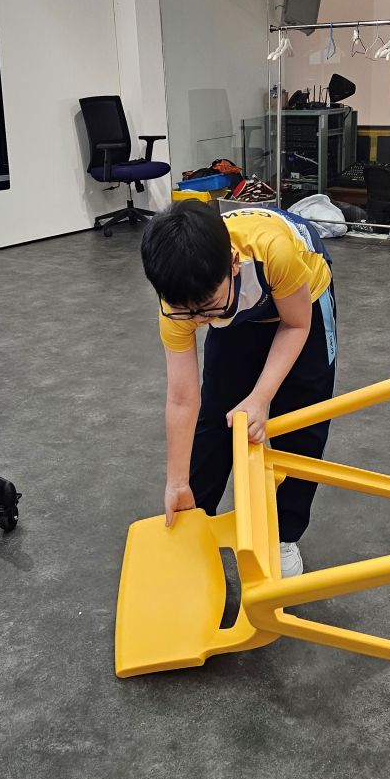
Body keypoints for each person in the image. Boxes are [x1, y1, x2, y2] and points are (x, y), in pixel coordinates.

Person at [140, 198, 337, 577]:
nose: (198, 320)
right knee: (218, 414)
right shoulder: (181, 300)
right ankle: (196, 518)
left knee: (303, 423)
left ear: (233, 264)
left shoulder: (275, 253)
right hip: (234, 304)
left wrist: (261, 398)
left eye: (206, 308)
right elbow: (182, 399)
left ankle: (284, 535)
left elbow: (296, 325)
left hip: (302, 296)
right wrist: (176, 481)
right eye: (188, 313)